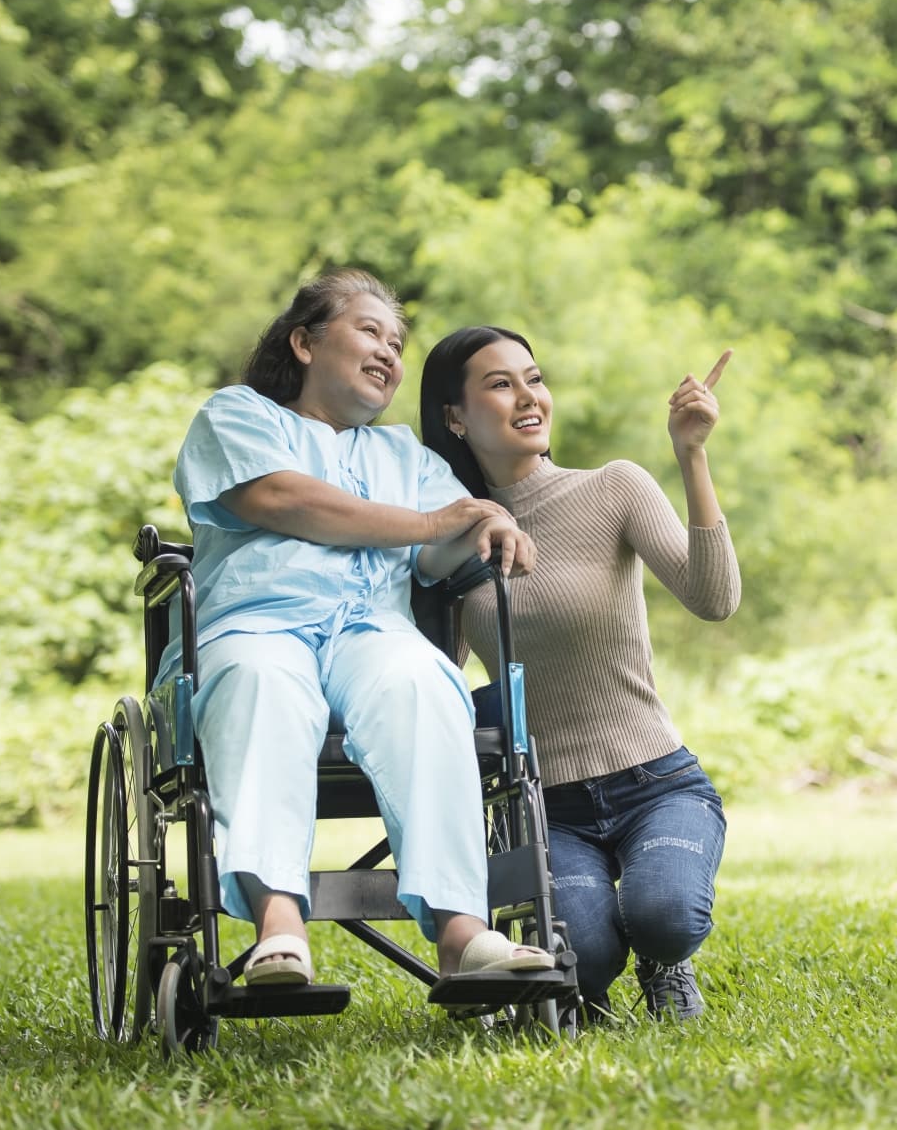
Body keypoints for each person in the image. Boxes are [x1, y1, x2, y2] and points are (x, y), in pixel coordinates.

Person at [166, 270, 555, 990]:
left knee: (424, 680)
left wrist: (486, 520)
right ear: (305, 341)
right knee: (260, 682)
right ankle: (279, 926)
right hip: (257, 625)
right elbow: (280, 497)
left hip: (370, 632)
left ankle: (462, 929)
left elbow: (447, 543)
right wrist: (439, 518)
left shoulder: (404, 456)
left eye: (397, 341)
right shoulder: (238, 415)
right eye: (370, 330)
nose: (388, 350)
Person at [418, 326, 740, 1021]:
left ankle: (665, 960)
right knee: (584, 955)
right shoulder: (450, 539)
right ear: (454, 416)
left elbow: (713, 600)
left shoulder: (613, 486)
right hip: (546, 805)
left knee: (665, 913)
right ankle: (588, 982)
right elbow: (435, 678)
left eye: (534, 378)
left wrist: (692, 454)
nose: (529, 396)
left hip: (655, 781)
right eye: (501, 384)